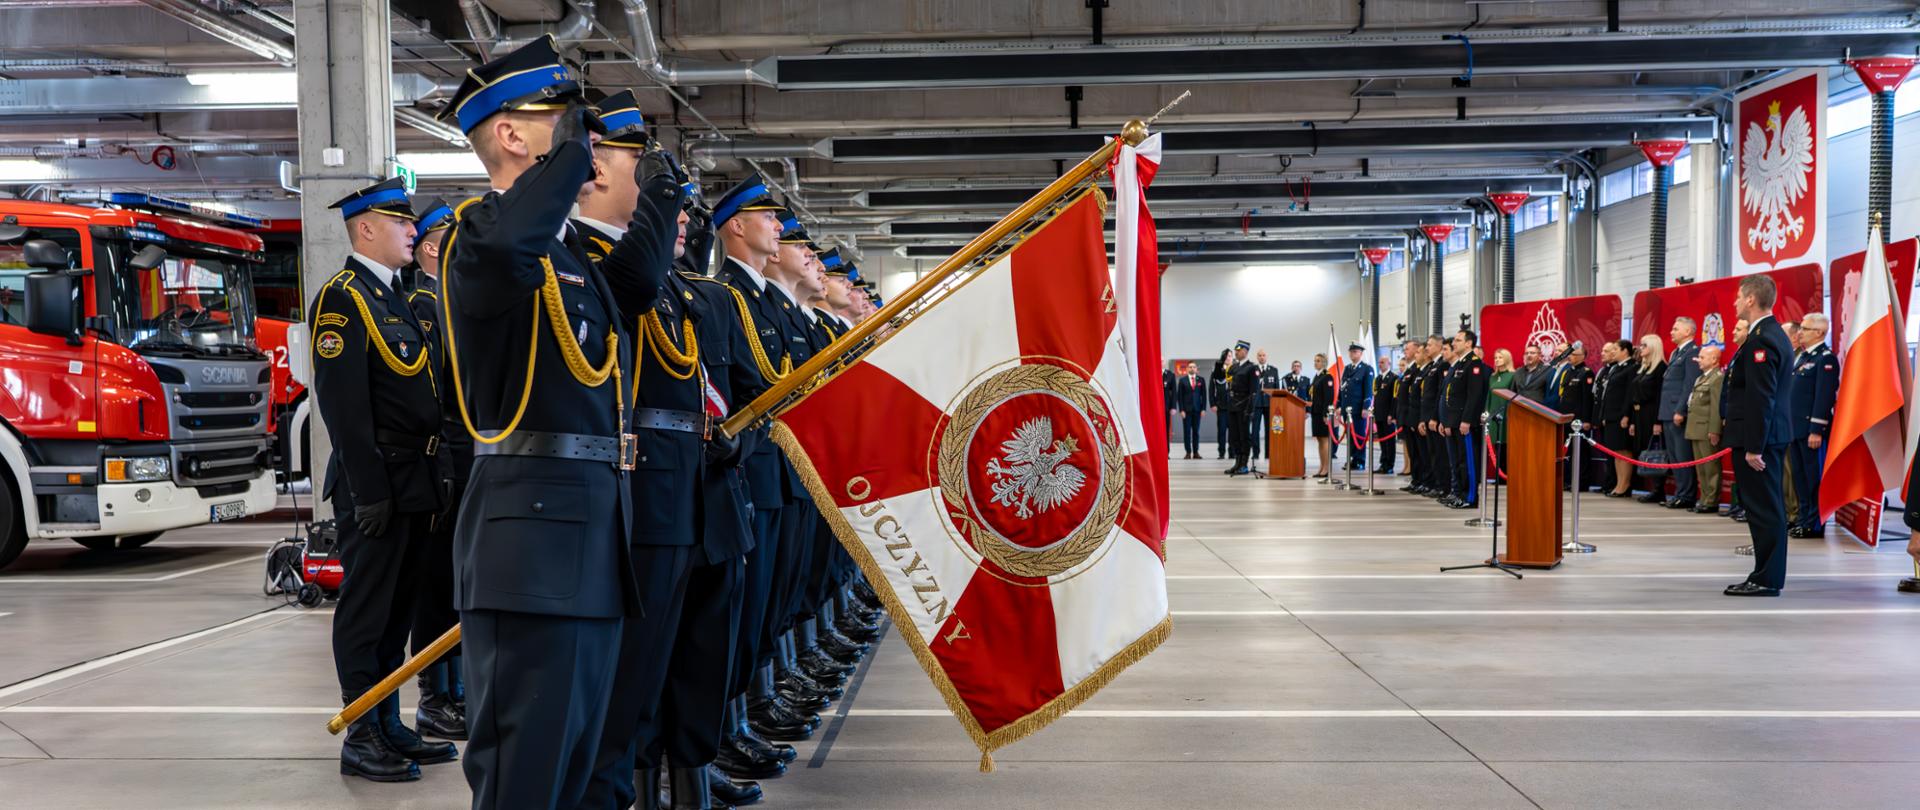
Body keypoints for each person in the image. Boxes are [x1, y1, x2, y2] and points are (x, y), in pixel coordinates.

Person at [434, 36, 669, 808]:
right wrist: (570, 159)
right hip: (532, 553)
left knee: (579, 766)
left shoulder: (568, 257)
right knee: (526, 778)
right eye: (568, 125)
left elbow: (635, 286)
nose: (592, 149)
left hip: (590, 545)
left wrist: (661, 198)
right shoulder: (482, 236)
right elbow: (507, 245)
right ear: (511, 134)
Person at [571, 93, 752, 810]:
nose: (663, 197)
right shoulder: (587, 261)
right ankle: (641, 789)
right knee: (628, 688)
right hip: (640, 502)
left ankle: (682, 786)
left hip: (687, 495)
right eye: (634, 164)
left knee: (684, 665)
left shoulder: (672, 285)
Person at [313, 178, 457, 784]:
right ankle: (360, 731)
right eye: (400, 223)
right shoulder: (343, 299)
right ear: (365, 227)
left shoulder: (397, 297)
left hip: (416, 480)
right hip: (377, 482)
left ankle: (388, 719)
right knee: (367, 611)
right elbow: (343, 407)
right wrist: (368, 490)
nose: (412, 231)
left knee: (399, 610)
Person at [399, 195, 467, 744]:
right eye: (448, 234)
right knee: (437, 584)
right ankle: (435, 697)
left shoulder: (455, 298)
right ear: (428, 247)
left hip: (468, 455)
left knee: (460, 581)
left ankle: (458, 688)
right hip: (446, 457)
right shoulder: (423, 304)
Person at [1724, 274, 1794, 596]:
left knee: (1764, 508)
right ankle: (1765, 574)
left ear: (1751, 299)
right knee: (1763, 507)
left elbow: (1760, 397)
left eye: (1739, 297)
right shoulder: (1766, 334)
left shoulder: (1762, 339)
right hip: (1762, 436)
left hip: (1760, 440)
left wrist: (1754, 446)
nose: (1735, 302)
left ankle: (1766, 579)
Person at [1787, 313, 1839, 538]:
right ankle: (1802, 518)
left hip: (1811, 431)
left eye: (1805, 329)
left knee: (1812, 478)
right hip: (1795, 428)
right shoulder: (1803, 357)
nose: (1800, 332)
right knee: (1799, 477)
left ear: (1819, 332)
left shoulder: (1825, 358)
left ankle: (1814, 524)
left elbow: (1823, 396)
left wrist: (1816, 429)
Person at [1657, 317, 1703, 509]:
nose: (1671, 332)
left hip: (1677, 411)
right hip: (1667, 410)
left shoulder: (1692, 352)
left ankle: (1686, 495)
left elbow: (1689, 384)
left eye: (1676, 329)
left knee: (1683, 455)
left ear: (1688, 332)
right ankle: (1679, 492)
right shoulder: (1678, 352)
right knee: (1674, 455)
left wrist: (1680, 409)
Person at [1442, 330, 1491, 508]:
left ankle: (1470, 498)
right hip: (1455, 420)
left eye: (1458, 340)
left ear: (1469, 343)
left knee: (1468, 461)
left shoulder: (1473, 364)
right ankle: (1460, 494)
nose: (1454, 343)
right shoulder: (1461, 364)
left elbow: (1474, 395)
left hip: (1464, 422)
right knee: (1459, 460)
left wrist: (1467, 420)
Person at [1685, 345, 1726, 514]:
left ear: (1714, 360)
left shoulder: (1717, 378)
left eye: (1702, 357)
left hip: (1707, 428)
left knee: (1711, 466)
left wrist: (1715, 430)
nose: (1698, 360)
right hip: (1696, 427)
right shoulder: (1702, 378)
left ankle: (1711, 501)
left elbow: (1717, 406)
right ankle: (1704, 498)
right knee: (1701, 467)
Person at [1629, 334, 1668, 501]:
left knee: (1654, 451)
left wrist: (1658, 421)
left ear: (1653, 347)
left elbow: (1660, 396)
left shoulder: (1660, 368)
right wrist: (1632, 420)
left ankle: (1659, 489)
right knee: (1644, 449)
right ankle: (1654, 488)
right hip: (1639, 414)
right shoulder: (1644, 367)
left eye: (1644, 345)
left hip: (1652, 414)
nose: (1640, 348)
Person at [1598, 340, 1637, 498]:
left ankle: (1625, 485)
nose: (1612, 352)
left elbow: (1629, 393)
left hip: (1621, 415)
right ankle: (1618, 484)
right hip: (1611, 415)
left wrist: (1626, 415)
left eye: (1615, 349)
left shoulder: (1631, 367)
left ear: (1625, 351)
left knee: (1624, 451)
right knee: (1616, 451)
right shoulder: (1615, 368)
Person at [1726, 318, 1751, 526]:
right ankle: (1741, 505)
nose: (1733, 331)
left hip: (1747, 422)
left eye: (1739, 328)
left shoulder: (1749, 353)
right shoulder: (1739, 354)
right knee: (1740, 471)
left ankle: (1748, 508)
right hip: (1735, 419)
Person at [1419, 336, 1451, 498]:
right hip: (1428, 416)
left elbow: (1439, 394)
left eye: (1430, 345)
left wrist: (1434, 417)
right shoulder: (1433, 365)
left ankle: (1442, 485)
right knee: (1432, 453)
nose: (1426, 348)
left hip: (1435, 416)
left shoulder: (1443, 365)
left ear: (1439, 346)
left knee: (1440, 454)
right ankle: (1435, 483)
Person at [1224, 341, 1259, 475]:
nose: (1236, 352)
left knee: (1244, 436)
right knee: (1234, 436)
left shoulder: (1251, 368)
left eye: (1239, 350)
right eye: (1236, 350)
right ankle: (1237, 462)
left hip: (1244, 406)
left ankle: (1244, 464)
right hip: (1233, 405)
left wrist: (1249, 410)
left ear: (1245, 351)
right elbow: (1223, 376)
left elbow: (1254, 392)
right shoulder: (1234, 367)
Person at [1339, 342, 1375, 470]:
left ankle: (1360, 460)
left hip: (1359, 409)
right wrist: (1339, 405)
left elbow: (1368, 390)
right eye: (1351, 351)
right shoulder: (1347, 368)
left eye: (1355, 351)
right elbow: (1342, 388)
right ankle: (1351, 459)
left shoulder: (1366, 369)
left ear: (1361, 353)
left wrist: (1366, 407)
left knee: (1359, 435)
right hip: (1347, 408)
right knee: (1350, 436)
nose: (1352, 353)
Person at [1395, 342, 1425, 485]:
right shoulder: (1410, 369)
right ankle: (1416, 480)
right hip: (1406, 416)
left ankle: (1420, 480)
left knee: (1419, 452)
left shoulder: (1418, 369)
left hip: (1413, 416)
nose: (1405, 351)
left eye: (1408, 348)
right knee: (1413, 451)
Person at [1486, 349, 1516, 482]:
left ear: (1507, 359)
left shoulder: (1512, 375)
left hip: (1506, 414)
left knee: (1505, 445)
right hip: (1493, 413)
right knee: (1495, 445)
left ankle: (1506, 476)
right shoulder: (1492, 376)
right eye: (1495, 357)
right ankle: (1499, 475)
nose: (1497, 360)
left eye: (1500, 357)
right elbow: (1489, 396)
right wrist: (1486, 412)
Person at [1308, 353, 1336, 478]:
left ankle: (1326, 468)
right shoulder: (1317, 376)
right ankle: (1321, 467)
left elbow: (1328, 397)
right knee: (1319, 440)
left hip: (1322, 413)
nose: (1315, 362)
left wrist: (1326, 414)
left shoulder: (1327, 377)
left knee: (1324, 440)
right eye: (1314, 360)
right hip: (1316, 412)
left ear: (1324, 363)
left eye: (1318, 360)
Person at [1174, 361, 1209, 459]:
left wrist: (1203, 409)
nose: (1192, 368)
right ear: (1187, 369)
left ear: (1196, 369)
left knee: (1196, 432)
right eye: (1190, 367)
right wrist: (1181, 410)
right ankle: (1188, 452)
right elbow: (1179, 397)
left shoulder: (1201, 380)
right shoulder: (1182, 380)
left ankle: (1196, 452)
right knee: (1187, 432)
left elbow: (1204, 396)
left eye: (1194, 367)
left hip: (1197, 410)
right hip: (1186, 410)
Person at [1373, 354, 1399, 474]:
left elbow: (1395, 398)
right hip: (1379, 414)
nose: (1380, 364)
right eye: (1379, 362)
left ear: (1389, 363)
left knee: (1390, 441)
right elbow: (1376, 397)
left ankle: (1389, 465)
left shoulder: (1393, 378)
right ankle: (1383, 463)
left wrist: (1392, 414)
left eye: (1382, 362)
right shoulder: (1378, 379)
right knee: (1382, 441)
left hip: (1388, 415)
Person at [1252, 350, 1280, 461]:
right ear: (1257, 357)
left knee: (1269, 430)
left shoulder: (1273, 370)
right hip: (1256, 404)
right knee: (1255, 430)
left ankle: (1269, 453)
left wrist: (1277, 403)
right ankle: (1255, 453)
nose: (1262, 357)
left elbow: (1277, 388)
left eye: (1263, 355)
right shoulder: (1252, 370)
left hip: (1270, 404)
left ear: (1266, 356)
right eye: (1259, 355)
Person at [1209, 350, 1230, 459]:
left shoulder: (1236, 370)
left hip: (1233, 406)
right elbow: (1211, 388)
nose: (1228, 357)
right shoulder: (1217, 371)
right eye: (1226, 356)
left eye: (1230, 355)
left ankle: (1233, 453)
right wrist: (1212, 403)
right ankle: (1221, 453)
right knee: (1221, 431)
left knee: (1233, 432)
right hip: (1221, 406)